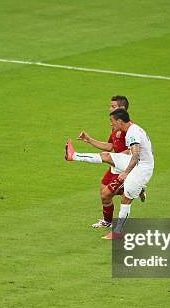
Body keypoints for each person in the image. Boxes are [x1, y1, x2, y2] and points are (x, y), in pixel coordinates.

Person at [66, 108, 154, 239]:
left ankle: (118, 232)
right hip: (135, 162)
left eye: (112, 121)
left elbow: (135, 155)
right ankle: (73, 156)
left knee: (126, 199)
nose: (111, 124)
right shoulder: (131, 129)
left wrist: (125, 172)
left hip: (141, 169)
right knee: (107, 156)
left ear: (119, 121)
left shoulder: (132, 133)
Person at [76, 95, 145, 229]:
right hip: (115, 165)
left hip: (125, 167)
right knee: (104, 191)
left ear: (122, 109)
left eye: (113, 106)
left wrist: (114, 157)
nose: (110, 108)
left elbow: (133, 152)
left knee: (106, 194)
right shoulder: (115, 126)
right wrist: (89, 140)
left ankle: (133, 190)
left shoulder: (129, 129)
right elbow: (109, 146)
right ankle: (108, 220)